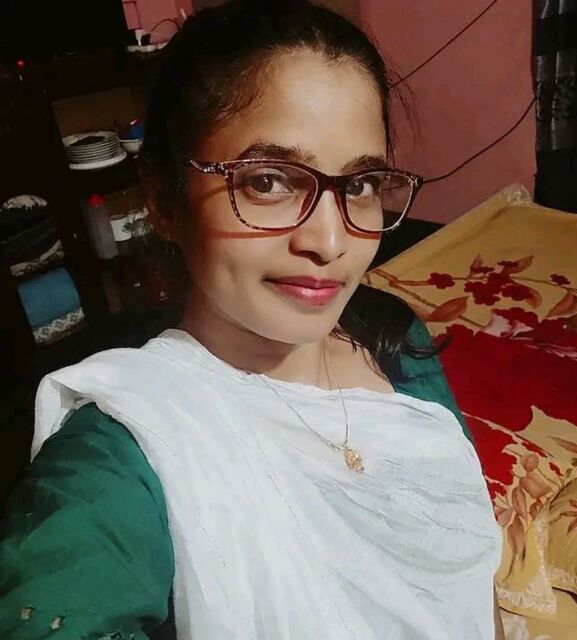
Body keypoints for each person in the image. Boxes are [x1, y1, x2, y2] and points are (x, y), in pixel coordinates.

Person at [0, 1, 504, 638]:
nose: (330, 242)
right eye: (268, 182)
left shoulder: (393, 337)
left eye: (359, 184)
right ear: (163, 200)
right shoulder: (124, 455)